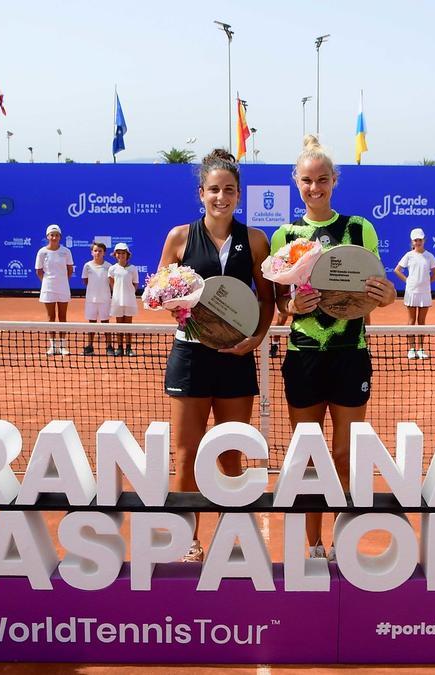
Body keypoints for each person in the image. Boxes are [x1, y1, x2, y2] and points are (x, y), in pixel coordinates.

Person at [271, 135, 396, 559]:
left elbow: (381, 294)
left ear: (335, 181)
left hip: (349, 355)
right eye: (307, 181)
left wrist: (385, 294)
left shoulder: (360, 228)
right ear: (296, 183)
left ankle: (342, 542)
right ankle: (313, 545)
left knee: (344, 453)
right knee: (307, 455)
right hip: (304, 355)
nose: (314, 188)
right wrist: (292, 304)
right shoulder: (285, 235)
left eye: (322, 179)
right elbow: (279, 303)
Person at [156, 148, 274, 562]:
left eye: (228, 190)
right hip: (190, 357)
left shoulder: (255, 240)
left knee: (229, 454)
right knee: (186, 453)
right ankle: (187, 538)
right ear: (200, 193)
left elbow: (267, 296)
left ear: (238, 195)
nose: (220, 197)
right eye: (213, 190)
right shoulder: (180, 237)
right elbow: (157, 291)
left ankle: (232, 537)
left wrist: (257, 338)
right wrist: (168, 301)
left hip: (236, 358)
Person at [393, 227, 435, 359]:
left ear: (424, 240)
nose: (418, 242)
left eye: (420, 240)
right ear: (412, 242)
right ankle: (411, 349)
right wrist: (407, 281)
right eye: (415, 240)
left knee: (421, 321)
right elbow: (397, 270)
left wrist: (425, 282)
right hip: (411, 292)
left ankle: (420, 349)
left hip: (424, 293)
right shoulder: (409, 255)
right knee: (411, 320)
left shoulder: (429, 256)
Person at [35, 224, 74, 355]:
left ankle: (63, 346)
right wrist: (47, 282)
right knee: (51, 317)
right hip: (48, 288)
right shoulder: (42, 252)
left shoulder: (66, 251)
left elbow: (69, 270)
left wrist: (61, 280)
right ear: (47, 237)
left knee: (62, 317)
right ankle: (53, 346)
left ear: (60, 237)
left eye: (57, 235)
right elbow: (39, 271)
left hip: (63, 287)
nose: (54, 237)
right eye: (52, 235)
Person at [107, 242, 139, 356]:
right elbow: (111, 282)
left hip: (129, 301)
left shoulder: (133, 269)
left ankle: (129, 348)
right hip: (117, 301)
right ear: (115, 255)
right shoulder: (112, 269)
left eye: (123, 253)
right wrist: (118, 293)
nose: (121, 255)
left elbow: (135, 284)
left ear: (127, 254)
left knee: (128, 325)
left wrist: (129, 294)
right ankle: (120, 348)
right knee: (119, 324)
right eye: (118, 253)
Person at [80, 241, 111, 355]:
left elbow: (111, 282)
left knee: (105, 323)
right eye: (95, 250)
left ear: (104, 253)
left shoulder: (109, 266)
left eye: (100, 251)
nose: (97, 253)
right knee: (91, 323)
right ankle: (90, 346)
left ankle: (109, 347)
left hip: (105, 299)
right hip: (91, 300)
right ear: (92, 252)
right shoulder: (87, 266)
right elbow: (86, 281)